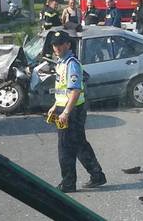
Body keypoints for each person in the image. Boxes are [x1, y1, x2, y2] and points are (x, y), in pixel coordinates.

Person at [45, 31, 106, 192]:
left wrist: (65, 112)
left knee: (65, 148)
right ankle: (97, 175)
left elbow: (75, 91)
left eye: (60, 44)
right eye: (54, 44)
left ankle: (68, 183)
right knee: (79, 145)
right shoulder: (61, 63)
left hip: (71, 111)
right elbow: (62, 90)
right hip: (66, 108)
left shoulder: (71, 63)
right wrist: (55, 106)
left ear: (68, 45)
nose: (56, 47)